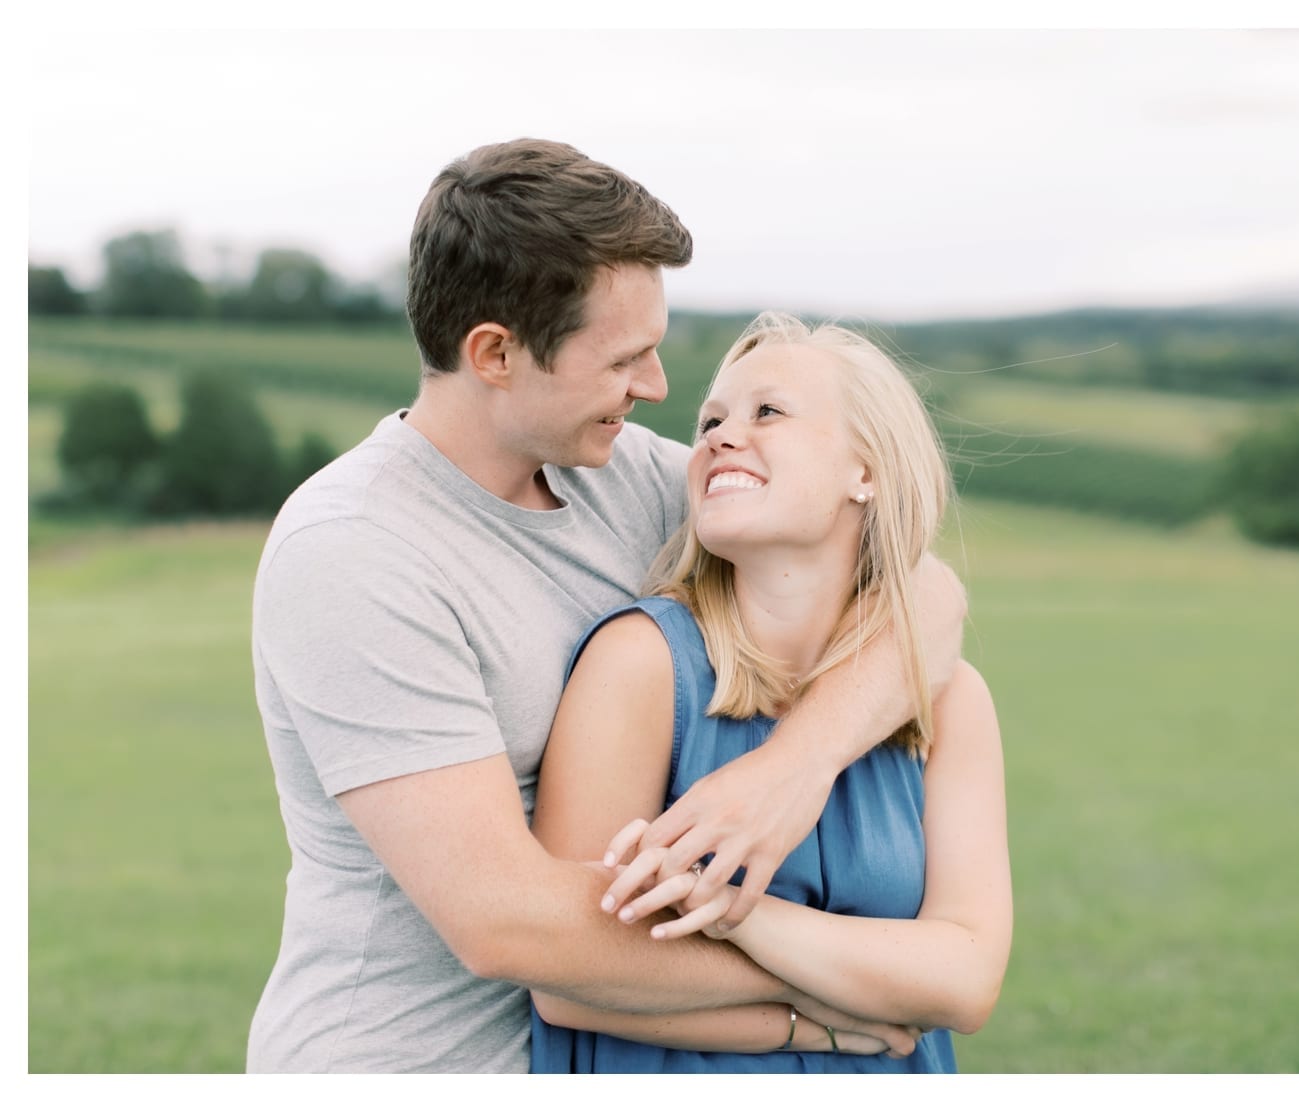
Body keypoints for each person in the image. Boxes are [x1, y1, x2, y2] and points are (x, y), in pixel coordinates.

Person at [247, 139, 968, 1072]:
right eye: (625, 357)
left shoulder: (621, 479)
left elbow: (920, 584)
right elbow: (509, 927)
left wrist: (793, 769)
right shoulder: (355, 554)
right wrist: (818, 1008)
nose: (658, 388)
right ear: (496, 353)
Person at [529, 312, 1013, 1072]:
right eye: (711, 420)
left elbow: (965, 979)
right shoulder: (642, 663)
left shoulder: (948, 700)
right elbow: (565, 979)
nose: (719, 436)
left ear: (868, 470)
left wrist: (725, 912)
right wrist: (832, 1007)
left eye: (768, 413)